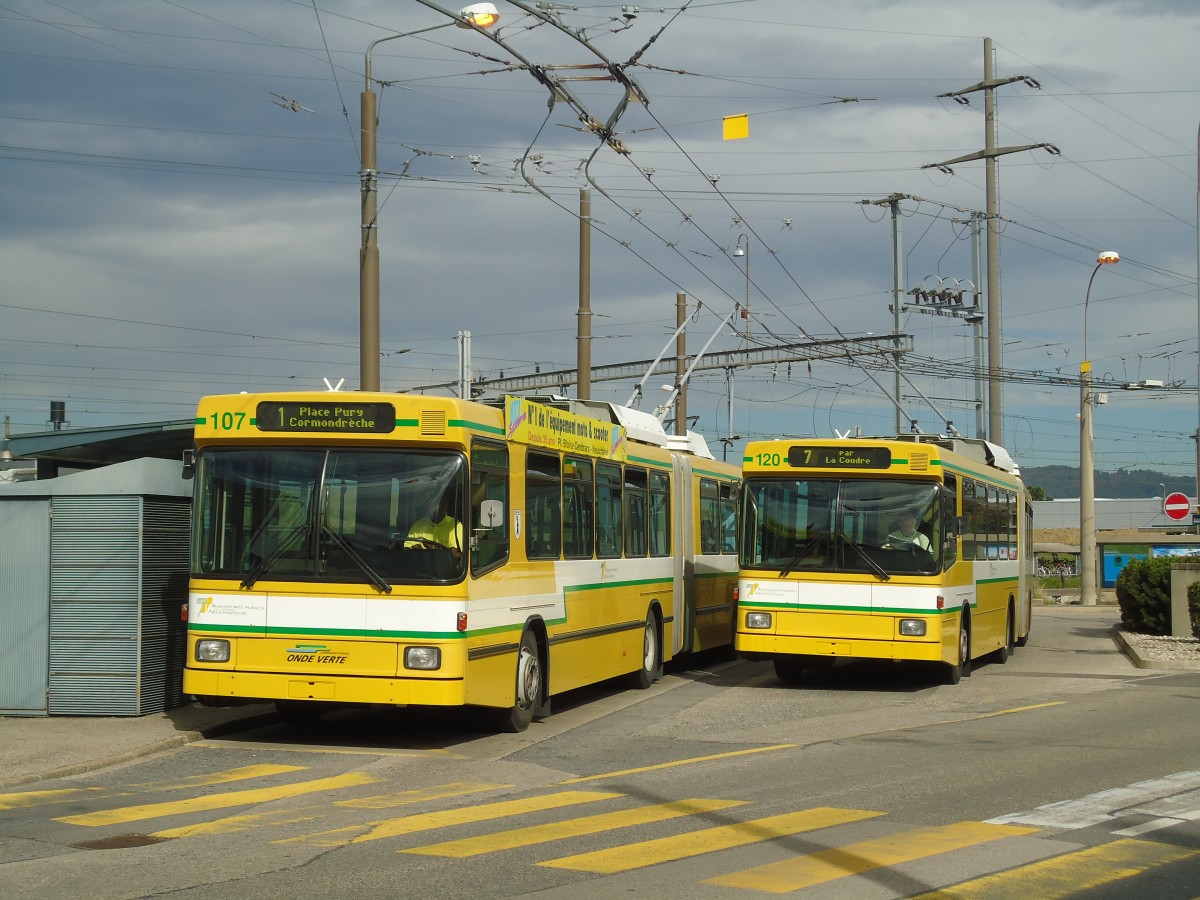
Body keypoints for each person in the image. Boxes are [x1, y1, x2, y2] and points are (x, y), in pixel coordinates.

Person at [404, 492, 463, 558]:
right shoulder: (418, 525)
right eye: (430, 506)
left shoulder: (455, 526)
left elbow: (457, 554)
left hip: (444, 564)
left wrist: (432, 547)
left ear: (444, 507)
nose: (432, 510)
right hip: (419, 563)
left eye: (435, 506)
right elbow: (407, 549)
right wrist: (414, 549)